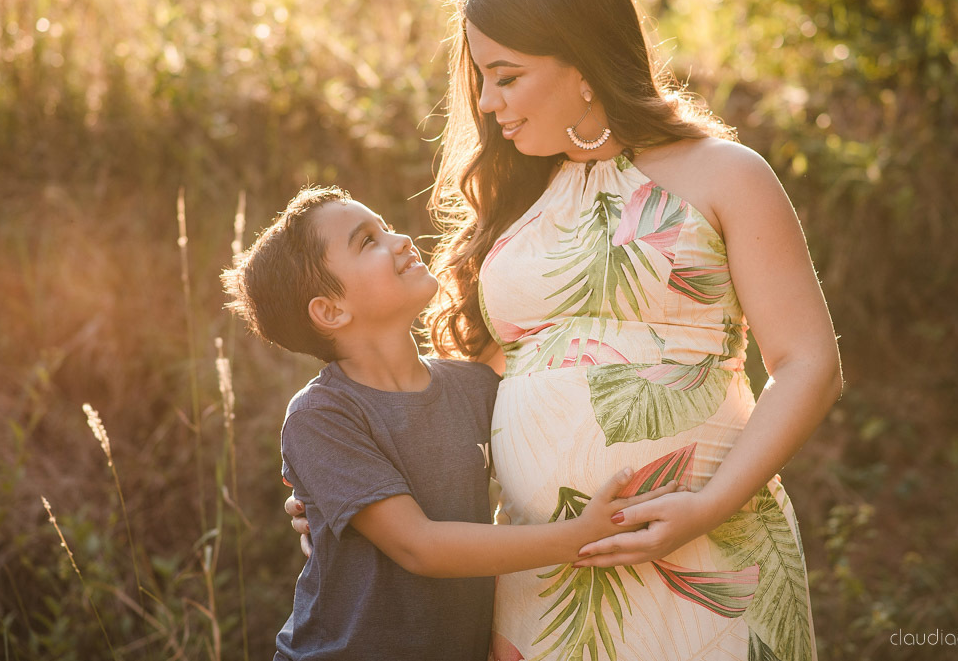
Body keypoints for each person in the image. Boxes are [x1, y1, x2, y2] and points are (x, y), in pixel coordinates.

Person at [289, 0, 841, 659]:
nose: (488, 102)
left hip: (711, 551)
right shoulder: (512, 209)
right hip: (542, 580)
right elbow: (468, 399)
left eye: (506, 76)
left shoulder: (725, 174)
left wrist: (708, 505)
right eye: (482, 80)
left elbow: (808, 364)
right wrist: (354, 483)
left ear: (580, 64)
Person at [221, 185, 674, 661]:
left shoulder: (475, 387)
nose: (399, 240)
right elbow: (421, 547)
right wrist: (577, 537)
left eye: (386, 227)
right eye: (367, 242)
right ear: (330, 311)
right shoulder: (321, 416)